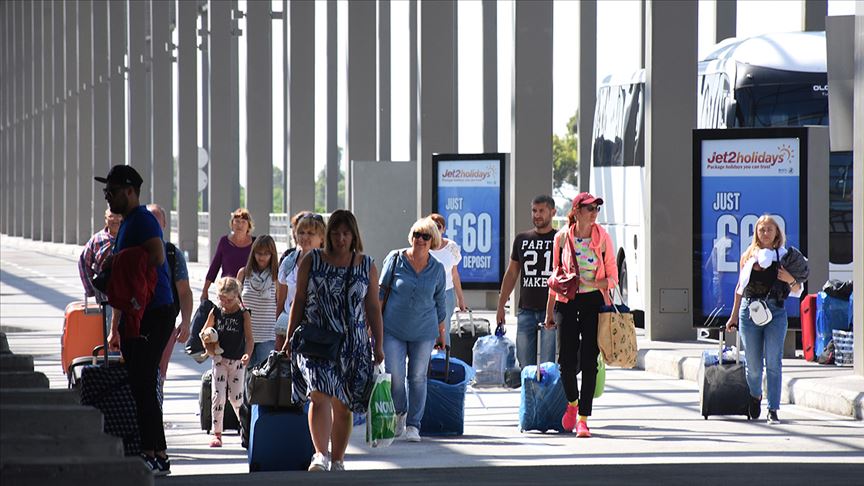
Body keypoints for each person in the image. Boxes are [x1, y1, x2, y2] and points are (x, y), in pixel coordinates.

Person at [284, 209, 384, 472]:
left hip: (353, 344)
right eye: (336, 233)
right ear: (328, 235)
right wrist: (290, 334)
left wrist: (379, 345)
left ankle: (338, 459)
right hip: (316, 339)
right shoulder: (312, 261)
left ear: (354, 236)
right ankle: (320, 454)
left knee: (343, 404)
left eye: (346, 233)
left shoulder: (366, 264)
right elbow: (300, 300)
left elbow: (373, 307)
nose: (341, 238)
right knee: (318, 393)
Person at [96, 165, 176, 475]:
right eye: (107, 192)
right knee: (141, 384)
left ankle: (153, 454)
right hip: (137, 312)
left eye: (112, 191)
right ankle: (156, 453)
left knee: (143, 382)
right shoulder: (129, 222)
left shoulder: (142, 220)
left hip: (154, 312)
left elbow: (156, 256)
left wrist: (119, 260)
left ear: (130, 191)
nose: (108, 197)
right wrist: (116, 325)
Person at [544, 192, 618, 438]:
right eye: (589, 208)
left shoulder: (603, 238)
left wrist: (594, 283)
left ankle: (583, 419)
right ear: (576, 211)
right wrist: (549, 312)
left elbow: (613, 278)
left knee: (589, 361)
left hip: (593, 301)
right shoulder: (562, 238)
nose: (594, 211)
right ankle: (572, 404)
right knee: (566, 360)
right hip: (567, 301)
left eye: (597, 207)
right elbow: (555, 276)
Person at [725, 215, 804, 425]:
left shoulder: (785, 256)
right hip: (749, 311)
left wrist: (790, 279)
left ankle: (773, 408)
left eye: (770, 229)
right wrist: (732, 317)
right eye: (762, 230)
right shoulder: (748, 256)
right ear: (756, 233)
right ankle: (755, 394)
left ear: (777, 233)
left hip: (775, 312)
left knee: (773, 362)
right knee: (753, 363)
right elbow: (739, 289)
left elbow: (798, 290)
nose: (766, 233)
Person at [379, 217, 447, 443]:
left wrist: (441, 333)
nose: (420, 239)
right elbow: (381, 292)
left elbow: (440, 302)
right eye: (417, 234)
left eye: (425, 236)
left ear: (433, 241)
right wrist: (373, 324)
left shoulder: (437, 269)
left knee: (417, 378)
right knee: (395, 376)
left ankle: (413, 425)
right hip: (393, 328)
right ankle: (400, 412)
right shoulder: (395, 258)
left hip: (424, 332)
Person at [496, 195, 558, 367]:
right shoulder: (522, 239)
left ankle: (544, 395)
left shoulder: (560, 239)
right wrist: (501, 305)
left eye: (541, 211)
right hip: (526, 311)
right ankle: (530, 395)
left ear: (553, 212)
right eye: (534, 210)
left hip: (552, 311)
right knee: (524, 363)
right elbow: (512, 273)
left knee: (547, 365)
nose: (537, 215)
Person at [201, 277, 253, 447]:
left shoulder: (243, 314)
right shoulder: (216, 311)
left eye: (229, 300)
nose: (225, 303)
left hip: (237, 361)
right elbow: (204, 332)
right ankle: (217, 433)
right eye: (222, 299)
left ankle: (246, 431)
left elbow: (249, 339)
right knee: (218, 396)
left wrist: (247, 354)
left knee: (237, 398)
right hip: (219, 360)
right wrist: (209, 344)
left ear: (237, 296)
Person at [146, 204, 193, 386]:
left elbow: (184, 291)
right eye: (150, 221)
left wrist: (186, 322)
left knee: (159, 373)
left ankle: (155, 408)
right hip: (135, 322)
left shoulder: (173, 254)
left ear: (164, 224)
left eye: (158, 220)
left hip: (164, 324)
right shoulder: (133, 251)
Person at [276, 212, 325, 351]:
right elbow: (281, 300)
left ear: (321, 238)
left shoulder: (329, 265)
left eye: (310, 233)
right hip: (290, 327)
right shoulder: (288, 262)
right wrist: (279, 336)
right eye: (301, 232)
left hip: (318, 329)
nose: (305, 237)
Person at [78, 207, 122, 337]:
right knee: (112, 332)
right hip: (107, 296)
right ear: (105, 219)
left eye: (118, 215)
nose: (115, 220)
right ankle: (114, 354)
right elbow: (83, 263)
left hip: (130, 297)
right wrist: (92, 288)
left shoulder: (131, 236)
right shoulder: (97, 240)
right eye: (111, 216)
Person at [237, 234, 279, 367]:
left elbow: (281, 305)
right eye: (259, 253)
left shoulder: (277, 277)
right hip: (244, 336)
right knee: (241, 379)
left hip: (268, 337)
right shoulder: (243, 273)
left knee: (263, 382)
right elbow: (236, 302)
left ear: (272, 255)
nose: (262, 257)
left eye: (267, 253)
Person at [200, 208, 255, 302]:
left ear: (248, 226)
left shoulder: (255, 243)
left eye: (243, 222)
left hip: (249, 291)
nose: (239, 225)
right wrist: (205, 290)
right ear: (232, 224)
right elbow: (214, 267)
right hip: (226, 290)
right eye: (237, 221)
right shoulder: (224, 242)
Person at [428, 213, 466, 345]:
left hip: (446, 293)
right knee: (427, 328)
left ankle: (444, 361)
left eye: (438, 227)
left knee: (444, 329)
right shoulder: (424, 245)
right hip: (427, 293)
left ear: (443, 229)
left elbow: (455, 274)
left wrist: (460, 298)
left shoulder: (451, 247)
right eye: (432, 227)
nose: (435, 230)